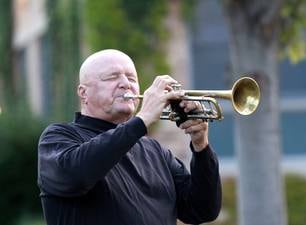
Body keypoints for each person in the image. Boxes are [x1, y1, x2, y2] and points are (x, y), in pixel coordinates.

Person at [37, 49, 222, 225]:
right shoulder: (58, 138)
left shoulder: (155, 151)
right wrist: (144, 118)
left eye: (132, 78)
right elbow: (76, 176)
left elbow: (202, 209)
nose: (126, 84)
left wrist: (200, 144)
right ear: (84, 93)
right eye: (112, 77)